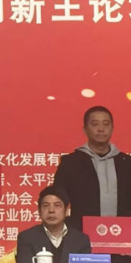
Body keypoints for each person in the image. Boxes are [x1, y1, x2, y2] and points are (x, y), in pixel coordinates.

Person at [53, 105, 131, 263]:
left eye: (106, 124)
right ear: (85, 129)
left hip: (123, 244)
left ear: (112, 128)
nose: (101, 129)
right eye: (95, 124)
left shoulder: (127, 163)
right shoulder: (71, 163)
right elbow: (57, 200)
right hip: (83, 240)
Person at [16, 186, 91, 263]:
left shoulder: (81, 240)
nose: (51, 210)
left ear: (66, 210)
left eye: (57, 205)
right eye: (46, 205)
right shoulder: (27, 238)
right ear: (39, 211)